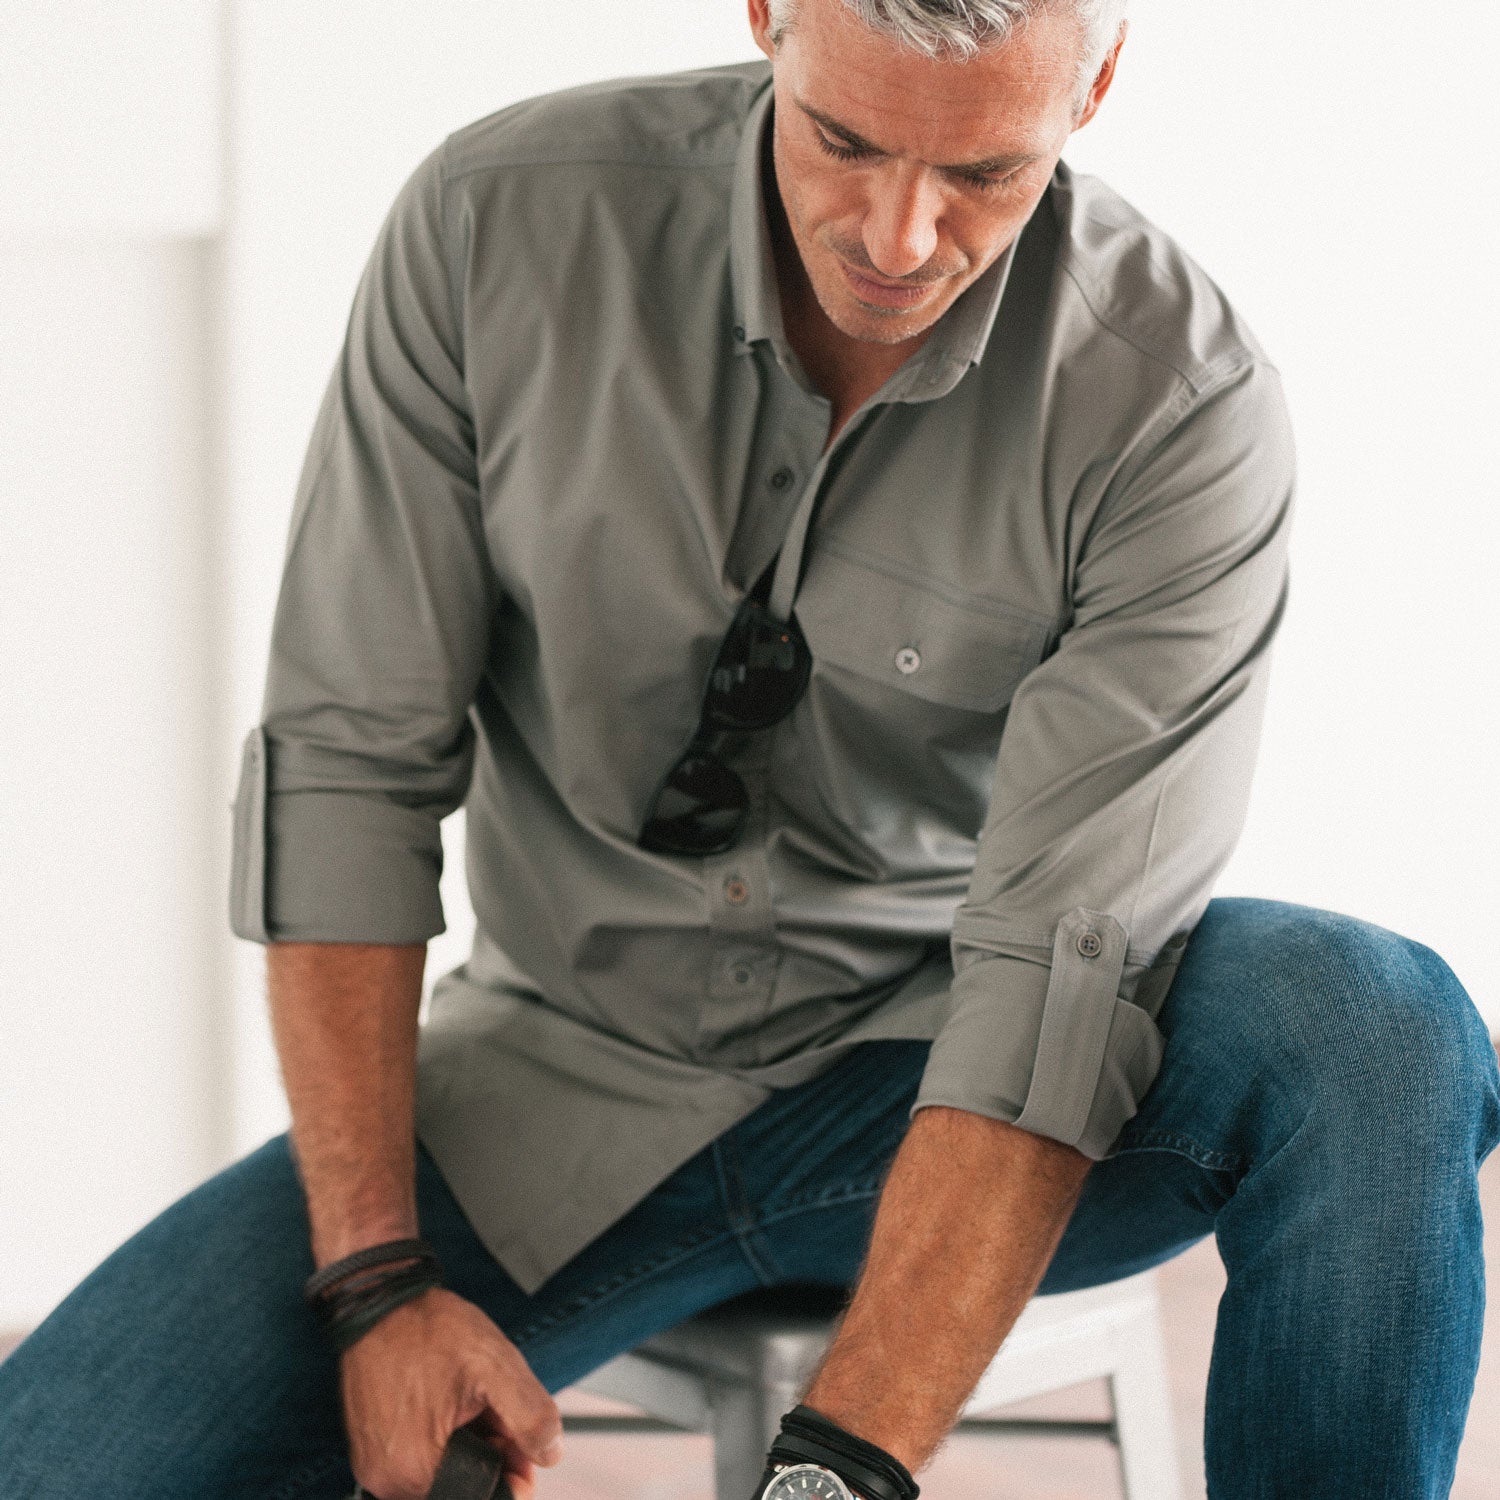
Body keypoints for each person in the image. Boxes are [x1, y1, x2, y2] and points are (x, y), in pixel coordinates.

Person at [1, 0, 1496, 1496]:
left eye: (985, 172)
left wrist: (833, 1474)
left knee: (1374, 1029)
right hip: (548, 1088)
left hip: (938, 1063)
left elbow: (1060, 972)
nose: (901, 237)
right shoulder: (489, 228)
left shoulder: (1179, 402)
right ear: (770, 13)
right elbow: (343, 765)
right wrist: (377, 1282)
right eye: (845, 140)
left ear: (1097, 85)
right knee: (51, 1463)